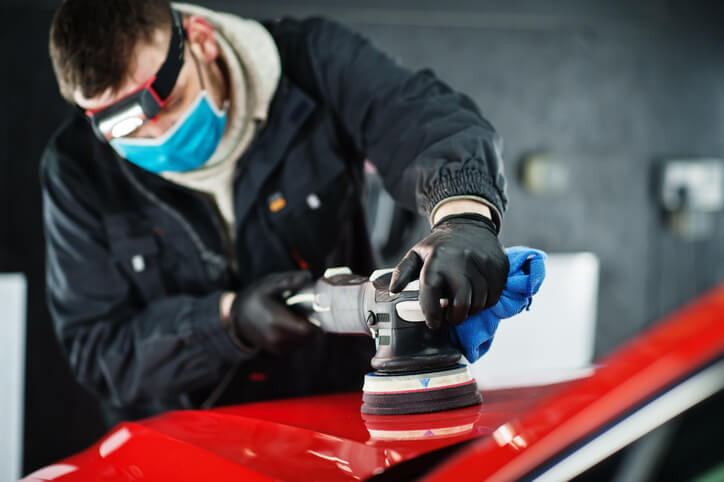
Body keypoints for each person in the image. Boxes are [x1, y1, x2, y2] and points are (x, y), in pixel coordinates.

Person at [43, 0, 509, 425]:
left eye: (163, 105)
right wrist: (228, 322)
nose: (152, 137)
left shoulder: (313, 63)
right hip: (184, 440)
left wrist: (462, 216)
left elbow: (422, 120)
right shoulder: (77, 169)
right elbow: (99, 349)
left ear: (201, 40)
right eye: (122, 128)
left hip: (338, 417)